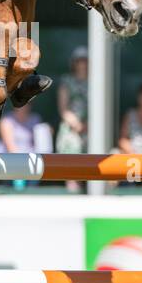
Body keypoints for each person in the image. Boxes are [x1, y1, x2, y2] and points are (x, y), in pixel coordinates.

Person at [0, 101, 53, 190]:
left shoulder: (35, 119)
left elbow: (42, 146)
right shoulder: (6, 121)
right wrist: (22, 167)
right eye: (21, 103)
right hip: (8, 163)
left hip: (30, 163)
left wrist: (47, 133)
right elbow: (11, 148)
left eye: (27, 103)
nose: (24, 106)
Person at [55, 46, 89, 192]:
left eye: (85, 60)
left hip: (92, 126)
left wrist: (90, 125)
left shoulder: (98, 81)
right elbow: (63, 109)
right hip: (72, 126)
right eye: (79, 60)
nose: (82, 64)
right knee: (70, 144)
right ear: (74, 63)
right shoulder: (67, 81)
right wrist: (76, 124)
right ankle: (73, 188)